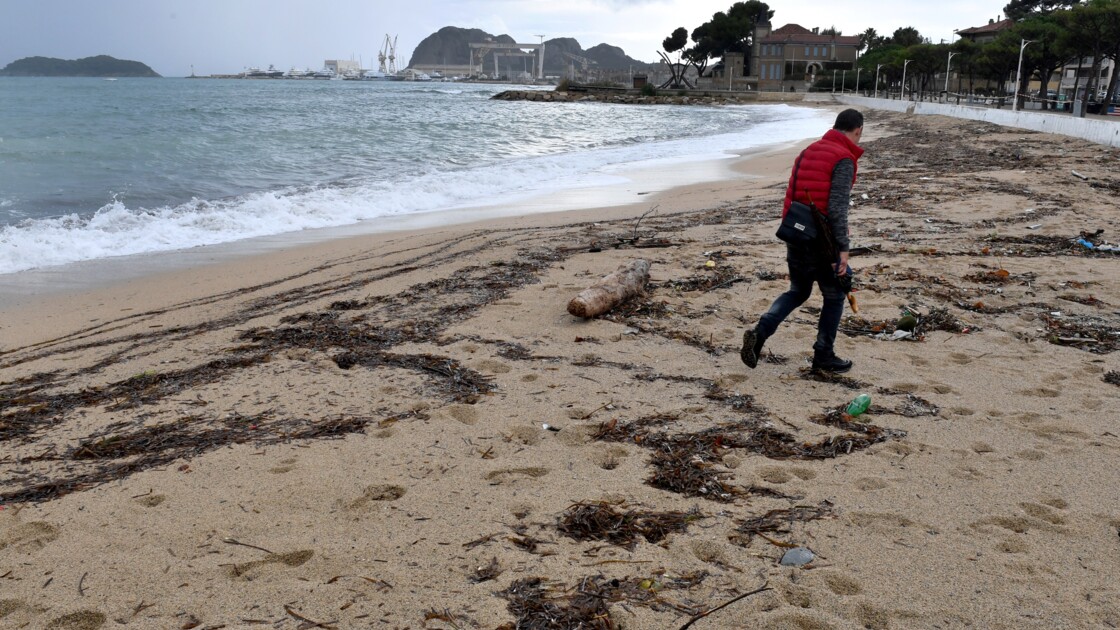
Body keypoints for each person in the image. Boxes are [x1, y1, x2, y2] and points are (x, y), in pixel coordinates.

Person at [741, 108, 865, 374]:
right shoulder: (844, 158)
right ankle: (824, 354)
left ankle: (760, 333)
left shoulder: (807, 151)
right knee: (835, 295)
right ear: (858, 131)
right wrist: (843, 249)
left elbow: (793, 193)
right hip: (821, 241)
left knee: (798, 290)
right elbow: (836, 208)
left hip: (795, 233)